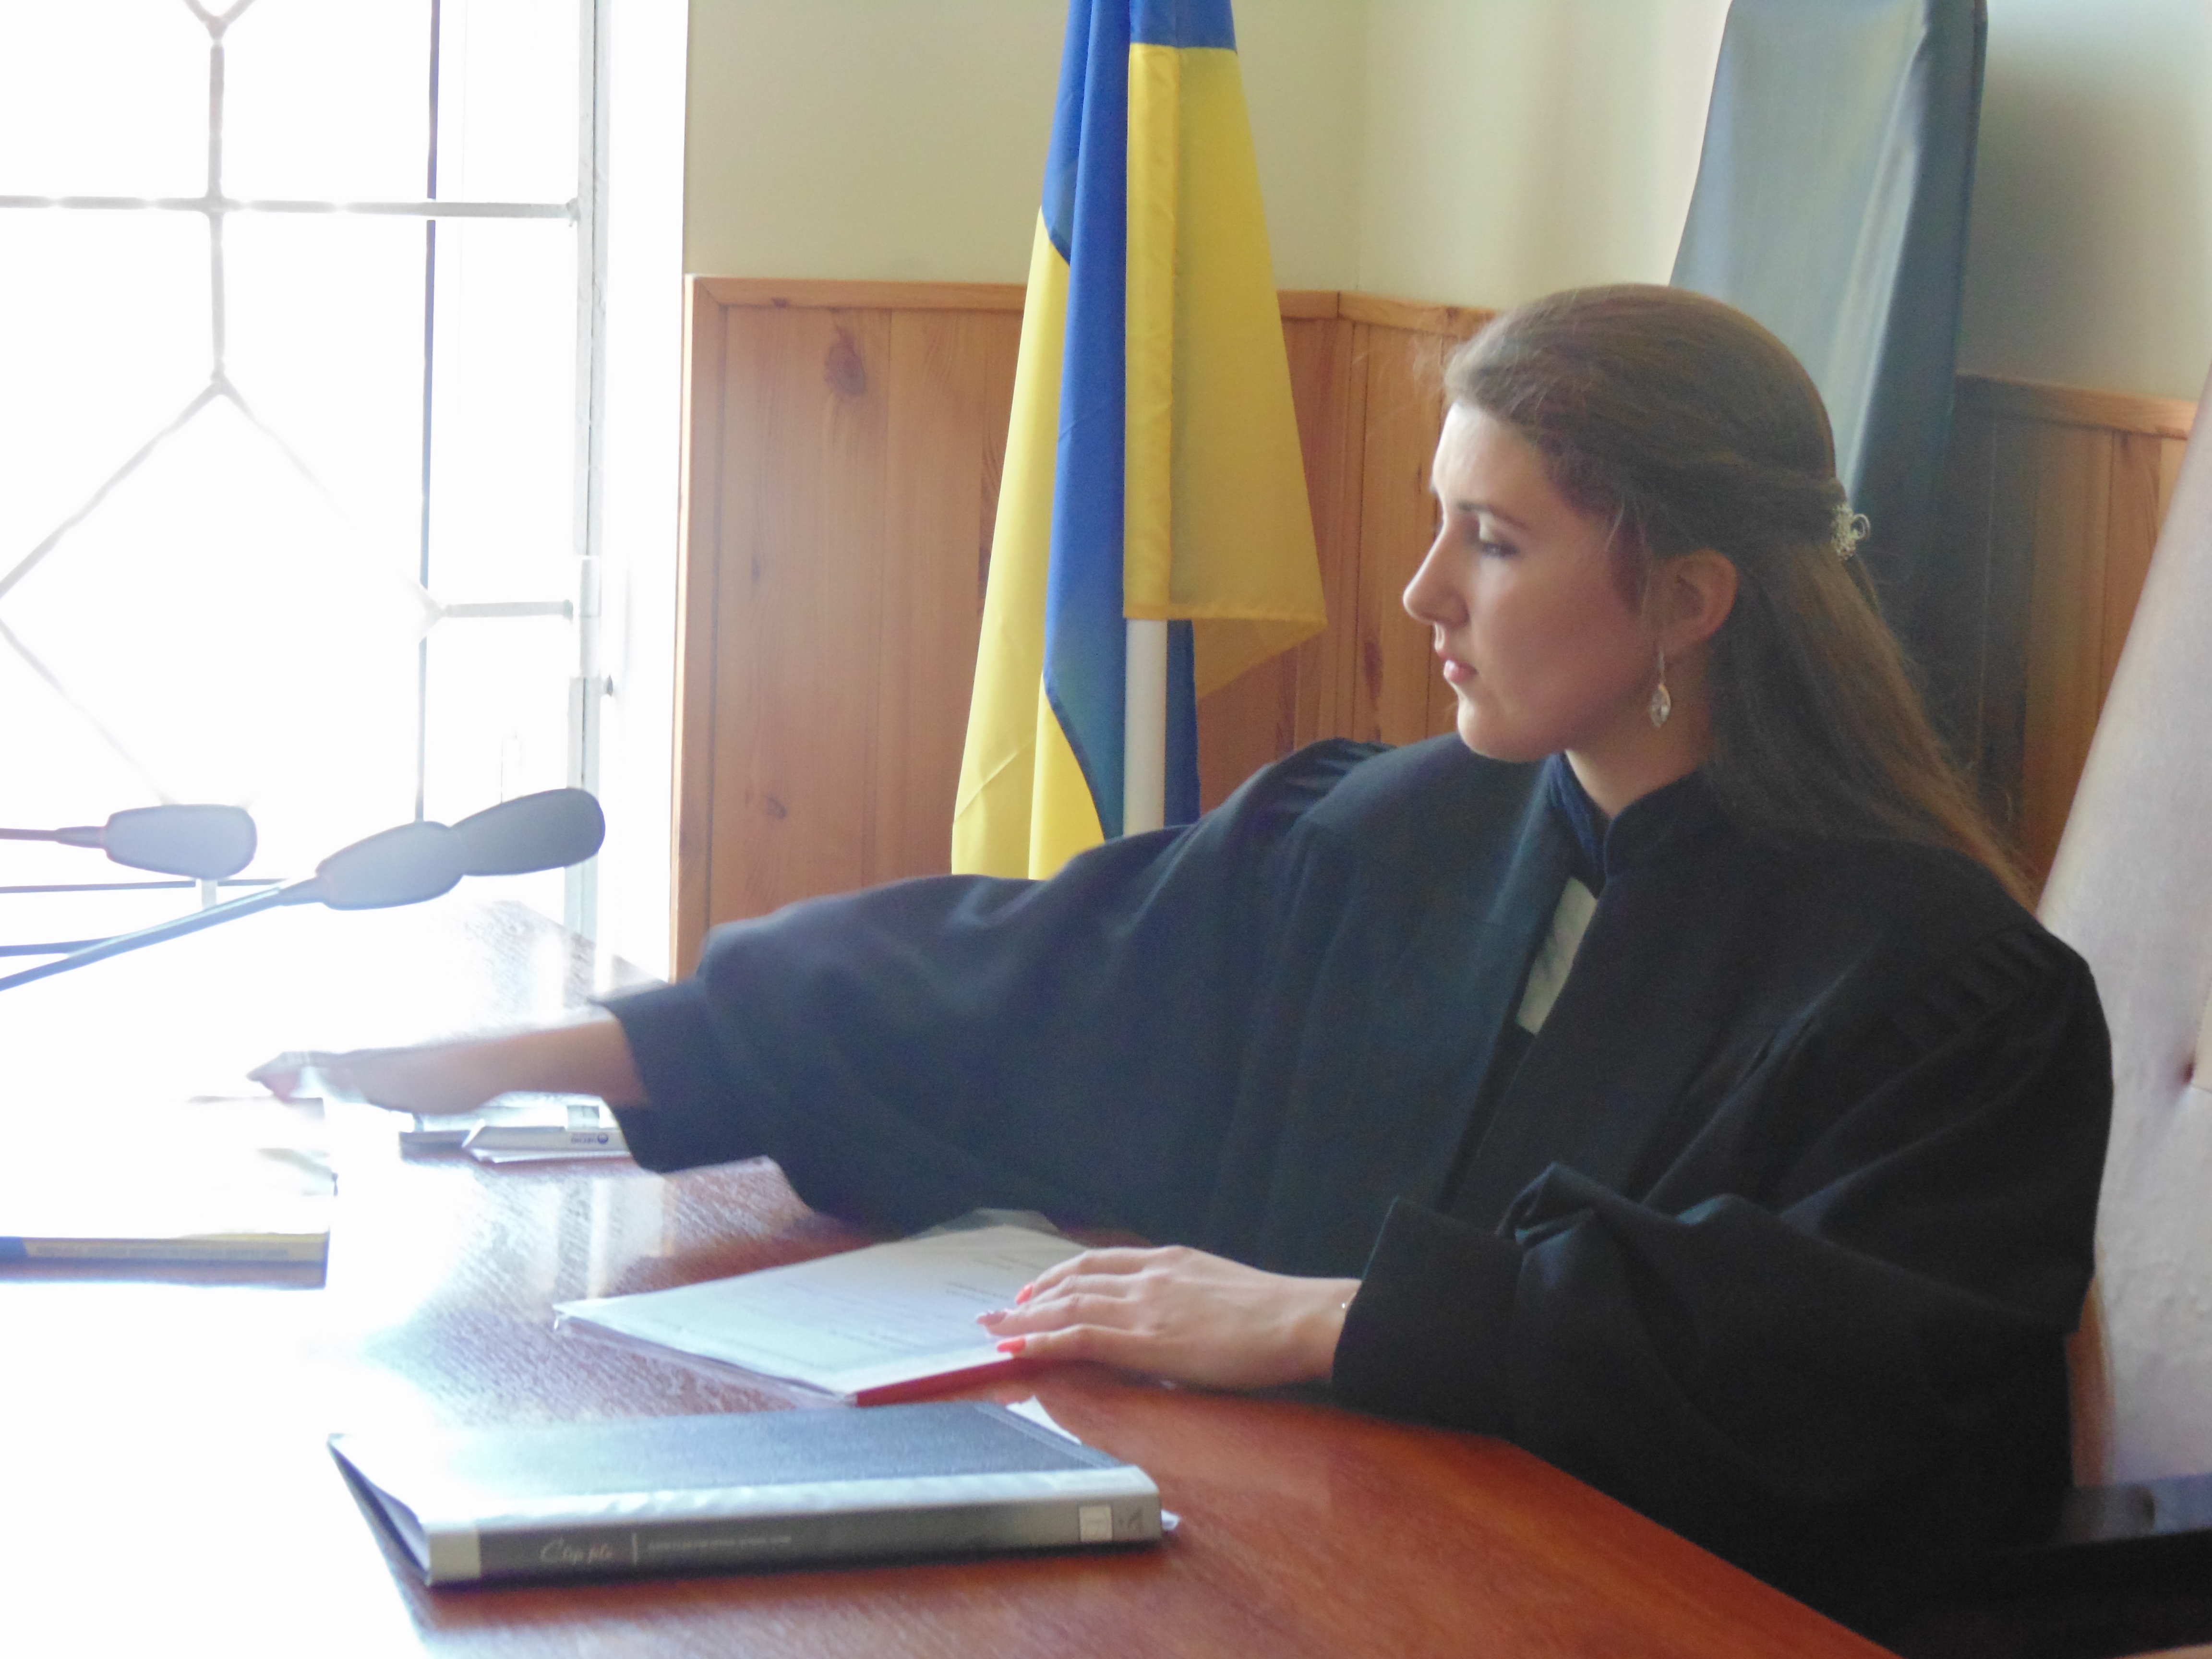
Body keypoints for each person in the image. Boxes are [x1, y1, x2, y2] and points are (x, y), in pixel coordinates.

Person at [255, 285, 2110, 1632]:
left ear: (1689, 600)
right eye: (1435, 525)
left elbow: (1840, 1385)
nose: (1422, 595)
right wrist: (533, 1055)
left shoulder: (1943, 995)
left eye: (1493, 542)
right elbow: (1014, 980)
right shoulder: (1390, 837)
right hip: (1285, 1580)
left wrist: (1323, 1316)